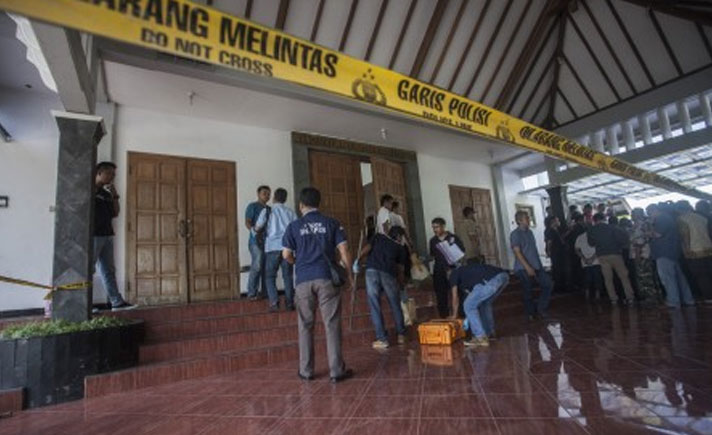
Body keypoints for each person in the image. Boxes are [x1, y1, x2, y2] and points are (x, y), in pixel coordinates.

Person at [282, 187, 354, 383]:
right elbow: (344, 250)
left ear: (301, 205)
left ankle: (306, 371)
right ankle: (336, 371)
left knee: (305, 325)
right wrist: (350, 275)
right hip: (326, 279)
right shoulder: (332, 223)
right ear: (319, 203)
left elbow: (286, 255)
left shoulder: (294, 226)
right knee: (332, 325)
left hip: (303, 281)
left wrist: (298, 263)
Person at [356, 226, 408, 349]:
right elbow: (400, 270)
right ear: (400, 237)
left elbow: (366, 249)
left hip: (371, 272)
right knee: (395, 304)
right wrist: (401, 286)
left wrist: (358, 260)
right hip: (388, 274)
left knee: (374, 304)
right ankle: (401, 335)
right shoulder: (400, 248)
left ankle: (382, 339)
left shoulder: (378, 237)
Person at [94, 162, 135, 311]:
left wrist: (115, 195)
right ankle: (84, 304)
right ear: (99, 172)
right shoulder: (88, 189)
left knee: (108, 270)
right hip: (93, 236)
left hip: (107, 235)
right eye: (110, 174)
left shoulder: (106, 194)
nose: (112, 177)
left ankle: (116, 302)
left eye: (114, 175)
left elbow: (115, 213)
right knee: (88, 270)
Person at [255, 188, 297, 311]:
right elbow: (295, 230)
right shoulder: (290, 212)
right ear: (285, 199)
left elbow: (258, 227)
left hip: (272, 247)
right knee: (287, 276)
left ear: (274, 197)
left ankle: (274, 303)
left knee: (270, 276)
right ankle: (289, 303)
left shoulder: (267, 211)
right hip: (287, 248)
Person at [449, 262, 509, 348]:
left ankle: (480, 337)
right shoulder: (466, 274)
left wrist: (454, 315)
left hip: (490, 280)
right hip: (503, 276)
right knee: (485, 303)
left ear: (449, 271)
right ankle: (489, 333)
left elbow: (455, 298)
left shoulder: (454, 273)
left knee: (468, 305)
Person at [646, 204, 694, 308]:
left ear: (653, 211)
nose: (649, 215)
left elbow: (658, 234)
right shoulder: (669, 218)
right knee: (679, 278)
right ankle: (688, 299)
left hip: (663, 252)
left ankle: (673, 301)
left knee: (668, 278)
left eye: (649, 213)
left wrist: (648, 233)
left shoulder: (661, 219)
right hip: (672, 252)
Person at [510, 210, 552, 320]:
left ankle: (540, 308)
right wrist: (528, 267)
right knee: (527, 289)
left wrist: (540, 265)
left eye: (528, 217)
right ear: (519, 220)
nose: (529, 220)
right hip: (522, 267)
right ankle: (530, 314)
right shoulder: (515, 234)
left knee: (548, 284)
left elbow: (533, 250)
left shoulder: (530, 232)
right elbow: (517, 252)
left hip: (537, 266)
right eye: (526, 218)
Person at [587, 213, 635, 305]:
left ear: (594, 220)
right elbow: (622, 239)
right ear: (604, 218)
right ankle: (630, 297)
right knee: (623, 276)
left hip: (602, 256)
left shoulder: (591, 230)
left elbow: (591, 243)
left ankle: (613, 299)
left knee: (608, 279)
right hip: (615, 254)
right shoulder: (612, 228)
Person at [676, 201, 712, 303]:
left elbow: (685, 236)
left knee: (701, 275)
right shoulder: (702, 218)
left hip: (695, 251)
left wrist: (687, 250)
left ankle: (709, 297)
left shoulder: (682, 219)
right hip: (708, 248)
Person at [429, 217, 465, 318]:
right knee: (440, 295)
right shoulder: (433, 241)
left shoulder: (453, 238)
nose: (435, 229)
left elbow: (462, 251)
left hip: (453, 269)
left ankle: (460, 316)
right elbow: (432, 255)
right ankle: (444, 317)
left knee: (458, 293)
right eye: (433, 227)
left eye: (437, 227)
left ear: (443, 226)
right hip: (439, 270)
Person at [245, 185, 271, 301]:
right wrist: (254, 232)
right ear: (258, 194)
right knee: (257, 265)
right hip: (255, 241)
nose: (267, 195)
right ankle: (251, 293)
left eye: (269, 193)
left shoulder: (270, 209)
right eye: (264, 193)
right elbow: (248, 222)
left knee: (267, 267)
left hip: (268, 241)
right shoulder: (252, 206)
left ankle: (265, 293)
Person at [630, 208, 660, 304]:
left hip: (642, 254)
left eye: (633, 214)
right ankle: (651, 296)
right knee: (645, 275)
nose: (631, 216)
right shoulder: (640, 224)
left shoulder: (642, 225)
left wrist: (638, 253)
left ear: (638, 214)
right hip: (640, 253)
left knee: (645, 276)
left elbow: (641, 241)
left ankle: (651, 297)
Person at [575, 224, 604, 302]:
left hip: (585, 262)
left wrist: (584, 258)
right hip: (596, 261)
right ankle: (597, 295)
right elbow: (600, 248)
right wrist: (592, 258)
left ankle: (587, 294)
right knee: (597, 278)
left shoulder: (580, 237)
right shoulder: (597, 236)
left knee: (587, 278)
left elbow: (577, 250)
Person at [544, 216, 567, 293]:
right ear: (553, 222)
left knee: (560, 268)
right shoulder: (550, 231)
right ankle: (558, 287)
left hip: (560, 252)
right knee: (557, 269)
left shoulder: (556, 230)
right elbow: (549, 242)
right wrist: (549, 251)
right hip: (556, 252)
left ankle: (562, 285)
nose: (559, 221)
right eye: (557, 220)